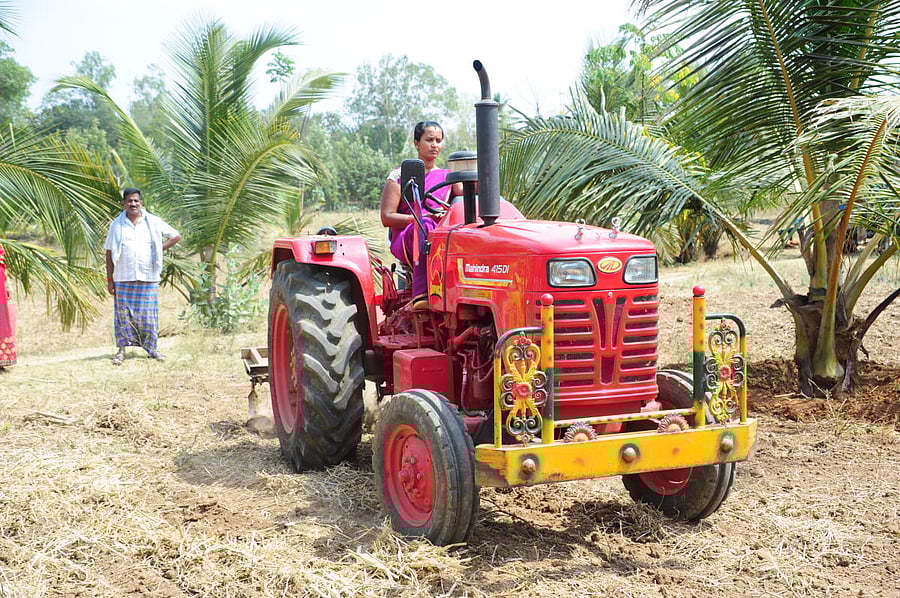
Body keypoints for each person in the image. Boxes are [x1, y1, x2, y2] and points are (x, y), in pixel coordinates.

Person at [380, 121, 459, 310]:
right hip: (408, 235)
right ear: (416, 143)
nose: (435, 145)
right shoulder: (399, 176)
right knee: (425, 225)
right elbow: (387, 217)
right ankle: (421, 293)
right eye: (429, 140)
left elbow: (467, 198)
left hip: (440, 235)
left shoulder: (448, 176)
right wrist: (418, 218)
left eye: (438, 140)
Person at [104, 188, 181, 365]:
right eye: (129, 201)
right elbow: (109, 253)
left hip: (148, 275)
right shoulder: (116, 225)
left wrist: (158, 249)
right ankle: (121, 350)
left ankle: (153, 349)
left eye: (136, 201)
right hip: (123, 276)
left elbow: (176, 236)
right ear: (124, 203)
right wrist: (109, 280)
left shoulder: (153, 221)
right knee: (123, 315)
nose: (133, 204)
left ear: (141, 202)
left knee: (148, 315)